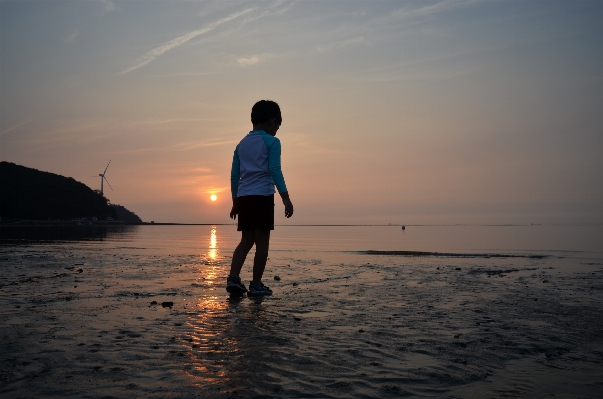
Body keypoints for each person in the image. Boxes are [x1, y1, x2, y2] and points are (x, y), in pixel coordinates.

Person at [227, 100, 294, 296]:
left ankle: (233, 278)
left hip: (245, 197)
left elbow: (234, 175)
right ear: (273, 121)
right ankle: (256, 284)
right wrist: (286, 198)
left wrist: (235, 202)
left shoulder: (241, 144)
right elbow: (274, 169)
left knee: (246, 240)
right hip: (263, 196)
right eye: (278, 126)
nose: (277, 131)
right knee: (262, 241)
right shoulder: (272, 142)